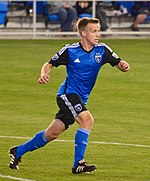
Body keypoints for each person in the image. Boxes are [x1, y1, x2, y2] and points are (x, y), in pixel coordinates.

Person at [9, 17, 130, 174]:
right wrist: (44, 74)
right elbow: (49, 63)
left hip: (80, 98)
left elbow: (119, 62)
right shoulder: (70, 50)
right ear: (83, 33)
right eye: (94, 31)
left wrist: (123, 66)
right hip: (67, 95)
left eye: (98, 30)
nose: (98, 34)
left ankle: (17, 152)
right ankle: (78, 164)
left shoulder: (102, 50)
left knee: (52, 133)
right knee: (87, 120)